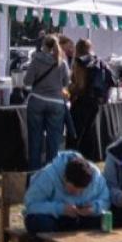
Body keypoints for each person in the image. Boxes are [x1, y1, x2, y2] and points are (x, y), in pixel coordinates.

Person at [24, 151, 110, 242]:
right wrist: (60, 209)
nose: (77, 194)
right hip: (50, 219)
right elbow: (31, 205)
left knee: (98, 220)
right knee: (42, 222)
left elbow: (105, 200)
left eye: (81, 190)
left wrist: (94, 208)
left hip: (76, 219)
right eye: (73, 190)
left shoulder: (96, 177)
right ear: (64, 178)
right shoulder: (48, 175)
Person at [24, 35, 71, 170]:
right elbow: (66, 83)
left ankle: (34, 173)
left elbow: (27, 81)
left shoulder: (36, 59)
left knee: (35, 140)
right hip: (56, 102)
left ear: (44, 45)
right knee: (54, 141)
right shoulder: (62, 62)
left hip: (37, 100)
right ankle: (52, 173)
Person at [67, 38, 113, 163]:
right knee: (88, 134)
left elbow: (80, 86)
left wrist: (69, 89)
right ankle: (87, 161)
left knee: (75, 135)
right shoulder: (99, 62)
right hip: (96, 103)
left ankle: (72, 161)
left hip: (82, 102)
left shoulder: (81, 62)